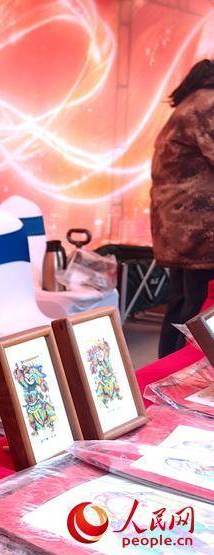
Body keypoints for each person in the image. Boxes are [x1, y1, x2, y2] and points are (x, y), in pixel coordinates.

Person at [151, 59, 214, 357]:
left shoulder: (187, 106)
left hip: (178, 230)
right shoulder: (207, 104)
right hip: (201, 229)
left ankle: (163, 372)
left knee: (180, 306)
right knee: (198, 312)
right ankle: (180, 375)